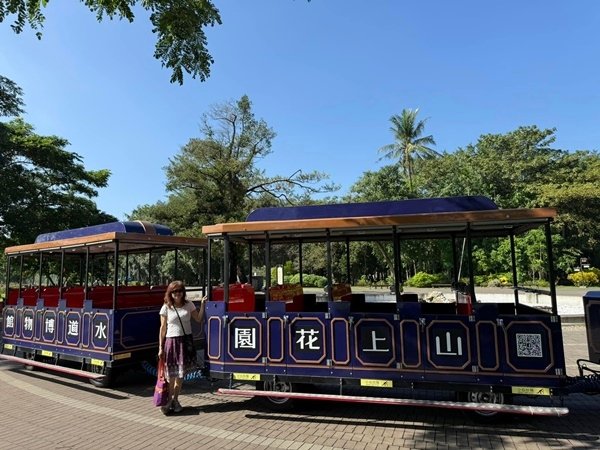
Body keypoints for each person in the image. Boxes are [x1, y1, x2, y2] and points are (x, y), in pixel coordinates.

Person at [158, 280, 205, 415]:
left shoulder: (189, 304)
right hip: (171, 342)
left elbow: (198, 319)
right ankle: (168, 401)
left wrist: (202, 305)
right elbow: (162, 328)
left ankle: (175, 400)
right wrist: (160, 347)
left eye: (179, 291)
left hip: (185, 341)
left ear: (183, 292)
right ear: (170, 293)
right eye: (174, 291)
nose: (177, 294)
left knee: (180, 375)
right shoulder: (166, 307)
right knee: (170, 376)